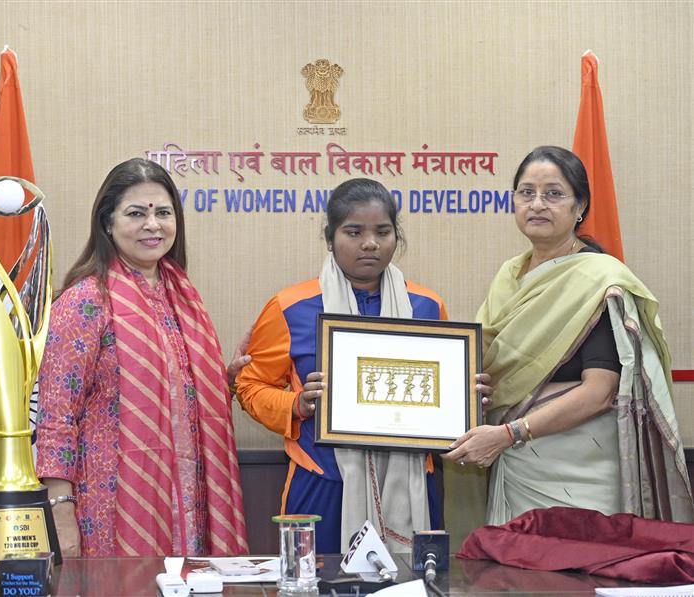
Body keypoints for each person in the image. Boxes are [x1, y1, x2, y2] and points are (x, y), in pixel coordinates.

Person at [235, 178, 492, 554]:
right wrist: (296, 405)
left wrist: (466, 400)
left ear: (395, 236)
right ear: (331, 237)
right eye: (354, 232)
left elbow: (440, 391)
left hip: (412, 486)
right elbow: (250, 386)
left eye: (382, 232)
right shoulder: (291, 306)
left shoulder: (426, 306)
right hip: (321, 482)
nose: (370, 243)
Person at [443, 146, 694, 524]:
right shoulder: (508, 278)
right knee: (515, 578)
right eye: (526, 193)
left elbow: (599, 392)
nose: (537, 204)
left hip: (579, 474)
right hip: (515, 465)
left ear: (581, 208)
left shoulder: (599, 281)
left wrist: (510, 433)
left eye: (554, 194)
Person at [35, 158, 250, 557]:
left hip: (189, 497)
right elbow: (56, 418)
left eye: (163, 213)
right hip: (111, 500)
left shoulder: (183, 298)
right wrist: (60, 511)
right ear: (107, 223)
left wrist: (227, 382)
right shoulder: (85, 302)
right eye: (136, 213)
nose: (153, 225)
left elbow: (175, 397)